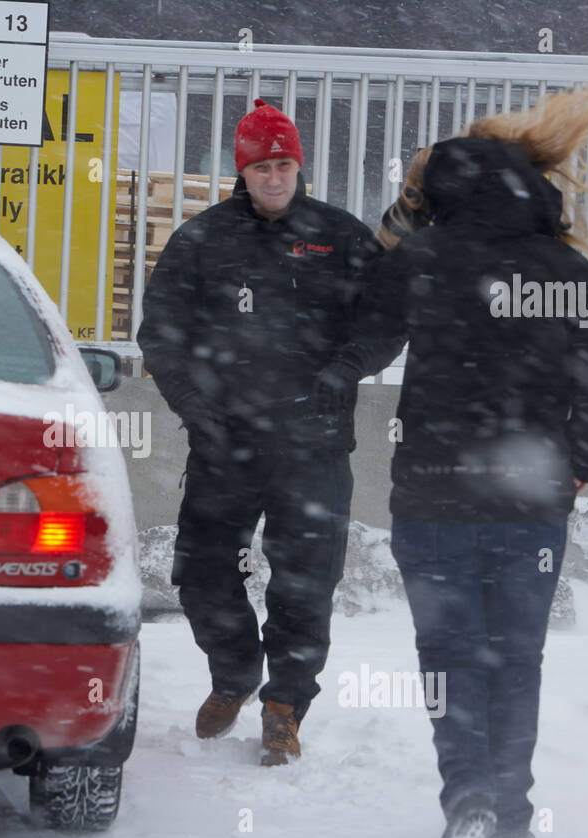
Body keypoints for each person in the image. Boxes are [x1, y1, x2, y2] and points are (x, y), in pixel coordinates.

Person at [330, 32, 588, 838]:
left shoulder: (418, 261)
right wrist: (582, 462)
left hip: (433, 495)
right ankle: (513, 815)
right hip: (532, 500)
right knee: (516, 658)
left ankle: (468, 804)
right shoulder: (566, 270)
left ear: (442, 193)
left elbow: (359, 347)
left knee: (449, 656)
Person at [138, 99, 402, 766]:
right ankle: (234, 674)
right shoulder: (201, 241)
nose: (275, 177)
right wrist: (197, 409)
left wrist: (348, 368)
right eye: (262, 166)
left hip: (313, 444)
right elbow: (162, 335)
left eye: (284, 164)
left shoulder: (342, 238)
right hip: (226, 444)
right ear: (243, 171)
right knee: (200, 574)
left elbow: (387, 319)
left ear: (298, 166)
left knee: (305, 582)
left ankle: (285, 707)